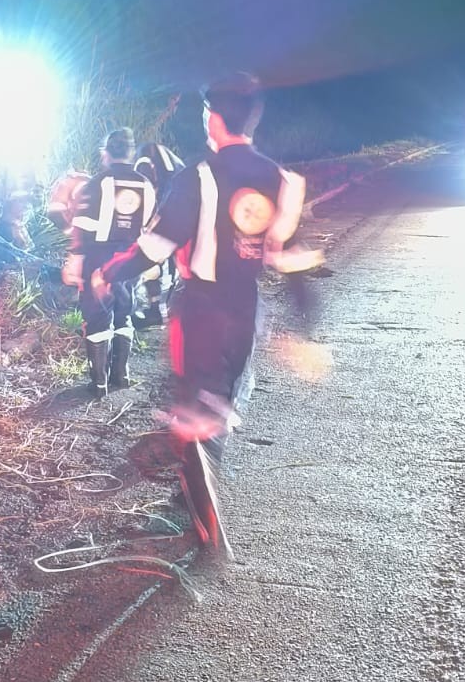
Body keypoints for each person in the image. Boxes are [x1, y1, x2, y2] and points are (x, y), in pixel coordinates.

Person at [89, 73, 320, 554]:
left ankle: (202, 516)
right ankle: (191, 491)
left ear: (211, 118)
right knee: (221, 401)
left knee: (195, 409)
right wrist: (307, 325)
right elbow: (291, 258)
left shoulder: (197, 176)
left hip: (199, 310)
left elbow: (155, 246)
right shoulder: (280, 179)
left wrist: (108, 272)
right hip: (245, 310)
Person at [68, 128, 156, 398]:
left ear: (105, 153)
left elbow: (81, 226)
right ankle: (121, 374)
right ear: (130, 154)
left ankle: (99, 383)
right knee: (123, 312)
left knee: (97, 316)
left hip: (98, 257)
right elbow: (149, 225)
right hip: (130, 260)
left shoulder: (96, 183)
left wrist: (74, 260)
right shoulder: (146, 185)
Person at [133, 139, 186, 326]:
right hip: (169, 199)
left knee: (170, 254)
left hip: (183, 204)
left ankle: (164, 307)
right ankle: (157, 307)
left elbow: (167, 210)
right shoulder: (140, 171)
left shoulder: (172, 179)